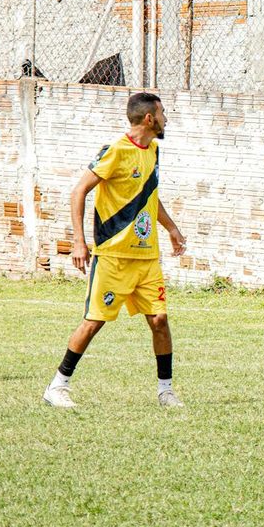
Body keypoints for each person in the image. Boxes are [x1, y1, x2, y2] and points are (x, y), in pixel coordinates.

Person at [43, 92, 187, 409]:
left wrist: (172, 228)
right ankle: (57, 386)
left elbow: (150, 195)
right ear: (149, 118)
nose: (165, 119)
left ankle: (166, 391)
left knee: (160, 320)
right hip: (113, 257)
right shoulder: (115, 151)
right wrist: (79, 241)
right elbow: (79, 191)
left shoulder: (153, 151)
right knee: (94, 321)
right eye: (162, 113)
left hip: (147, 258)